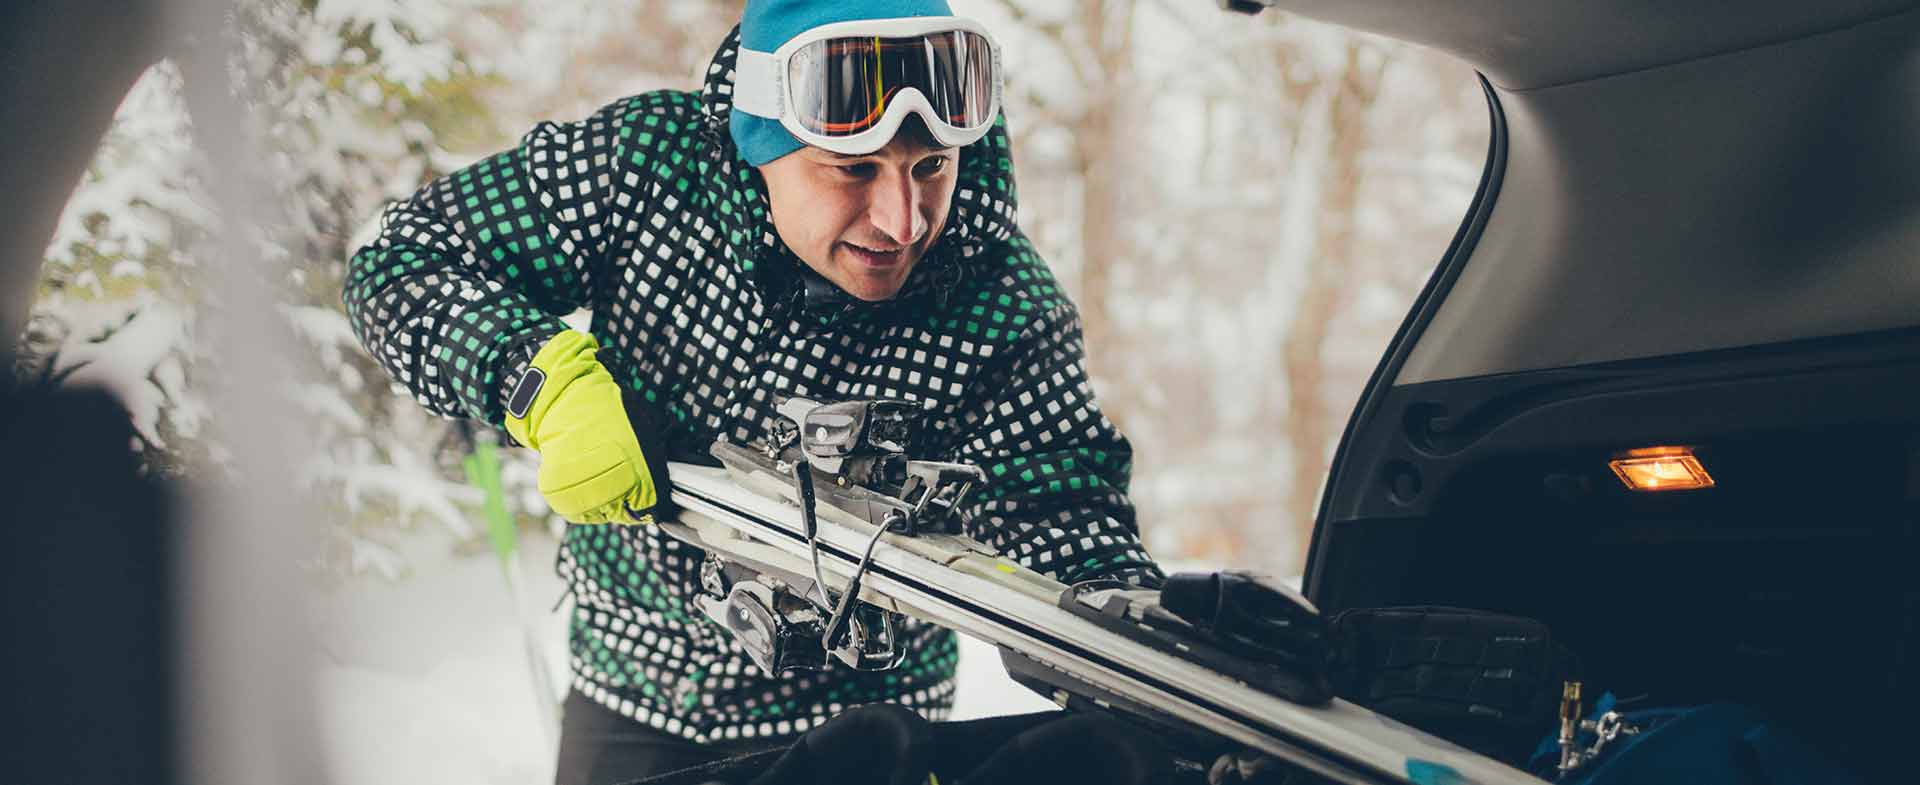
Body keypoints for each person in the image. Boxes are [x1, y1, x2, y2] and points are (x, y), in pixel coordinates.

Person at [342, 0, 1165, 782]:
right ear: (759, 144)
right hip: (641, 693)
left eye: (931, 168)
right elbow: (405, 258)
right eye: (852, 170)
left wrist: (1140, 643)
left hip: (868, 727)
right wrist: (538, 382)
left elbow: (1061, 503)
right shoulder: (644, 171)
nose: (904, 219)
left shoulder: (999, 299)